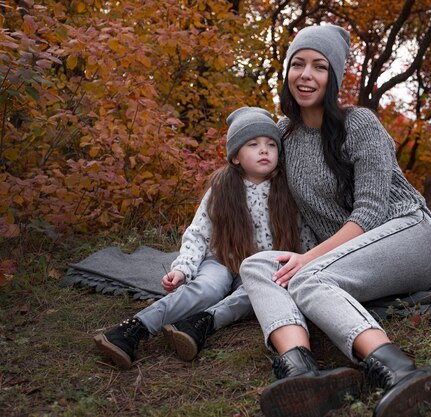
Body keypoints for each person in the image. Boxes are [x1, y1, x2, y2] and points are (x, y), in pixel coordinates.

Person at [239, 24, 431, 417]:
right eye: (298, 64)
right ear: (287, 71)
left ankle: (400, 371)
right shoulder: (284, 138)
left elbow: (371, 212)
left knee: (308, 275)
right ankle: (301, 373)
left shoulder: (358, 123)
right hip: (346, 259)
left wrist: (308, 260)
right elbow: (248, 180)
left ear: (334, 77)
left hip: (407, 235)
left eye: (319, 66)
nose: (306, 75)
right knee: (256, 266)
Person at [94, 107, 314, 369]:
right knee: (208, 287)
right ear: (235, 157)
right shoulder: (222, 189)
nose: (264, 150)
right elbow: (197, 234)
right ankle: (134, 329)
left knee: (259, 292)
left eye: (271, 144)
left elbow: (305, 237)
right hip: (222, 260)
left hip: (262, 270)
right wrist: (183, 269)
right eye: (253, 144)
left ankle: (201, 323)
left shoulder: (288, 191)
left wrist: (305, 266)